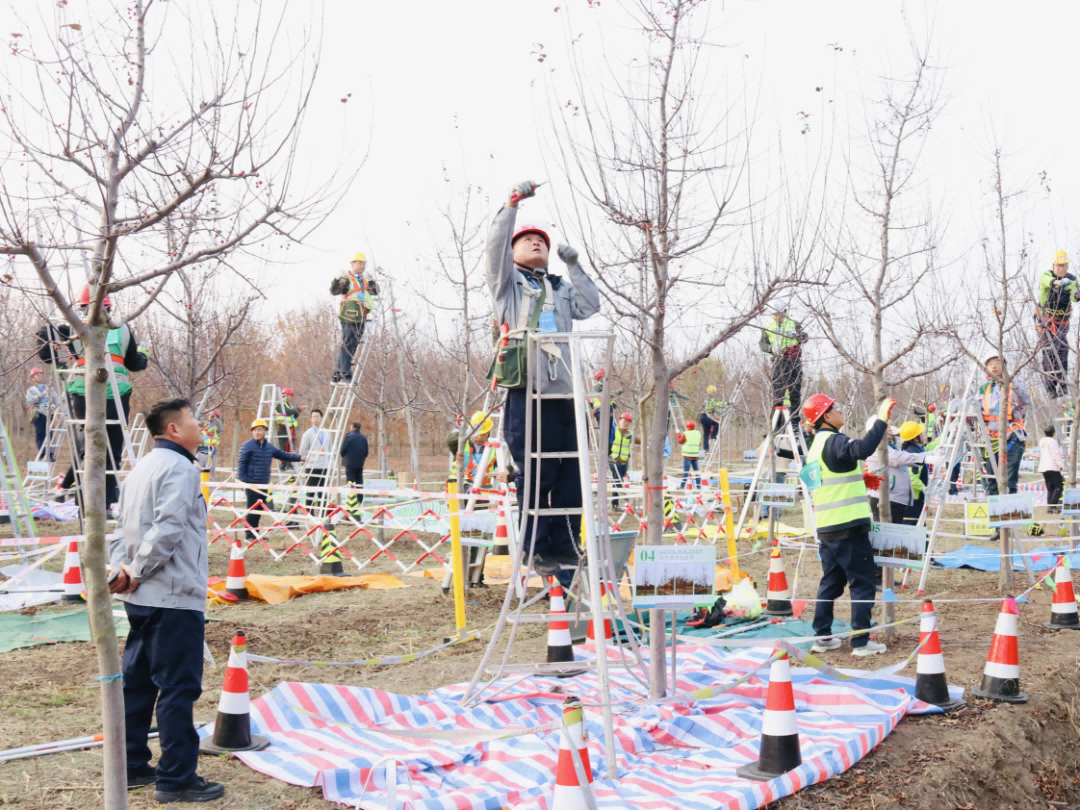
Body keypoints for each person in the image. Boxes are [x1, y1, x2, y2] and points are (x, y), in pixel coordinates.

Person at [107, 398, 223, 802]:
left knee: (138, 682)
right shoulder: (182, 468)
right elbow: (168, 528)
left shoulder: (140, 467)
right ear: (173, 429)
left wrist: (121, 571)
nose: (200, 424)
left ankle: (131, 764)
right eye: (193, 419)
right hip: (172, 595)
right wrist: (137, 569)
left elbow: (120, 528)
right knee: (178, 686)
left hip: (140, 596)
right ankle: (176, 778)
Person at [486, 180, 600, 585]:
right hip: (528, 393)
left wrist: (575, 267)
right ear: (513, 249)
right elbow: (494, 250)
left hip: (565, 392)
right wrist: (511, 206)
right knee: (538, 473)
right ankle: (537, 546)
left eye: (541, 241)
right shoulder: (508, 286)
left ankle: (567, 543)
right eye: (527, 240)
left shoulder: (559, 287)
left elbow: (591, 305)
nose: (536, 243)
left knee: (571, 474)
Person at [36, 286, 149, 513]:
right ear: (108, 307)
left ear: (82, 307)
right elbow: (134, 363)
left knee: (87, 451)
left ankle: (85, 505)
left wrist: (57, 363)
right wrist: (143, 355)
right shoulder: (123, 330)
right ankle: (103, 506)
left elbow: (43, 337)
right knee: (112, 451)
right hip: (116, 394)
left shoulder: (73, 329)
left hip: (83, 392)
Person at [802, 393, 894, 656]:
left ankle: (822, 637)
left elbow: (825, 478)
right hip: (849, 526)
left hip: (827, 527)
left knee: (830, 583)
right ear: (825, 416)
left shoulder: (817, 444)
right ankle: (861, 642)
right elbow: (862, 449)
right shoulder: (836, 440)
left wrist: (859, 478)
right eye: (836, 408)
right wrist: (881, 420)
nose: (840, 411)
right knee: (862, 582)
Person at [237, 419, 303, 542]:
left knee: (259, 509)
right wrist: (241, 480)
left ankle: (255, 534)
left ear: (265, 431)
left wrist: (299, 458)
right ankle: (249, 535)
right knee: (252, 509)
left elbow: (283, 454)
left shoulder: (269, 447)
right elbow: (241, 464)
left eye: (259, 430)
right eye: (255, 430)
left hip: (264, 483)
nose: (257, 433)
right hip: (251, 483)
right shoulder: (247, 445)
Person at [980, 353, 1030, 497]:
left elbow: (1024, 400)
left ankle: (1010, 506)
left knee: (1010, 480)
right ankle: (993, 506)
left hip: (1012, 435)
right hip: (992, 438)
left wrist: (1013, 384)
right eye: (990, 364)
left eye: (997, 363)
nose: (994, 367)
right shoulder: (984, 388)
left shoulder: (1014, 384)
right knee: (992, 480)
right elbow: (978, 409)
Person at [865, 417, 926, 525]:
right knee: (887, 533)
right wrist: (926, 458)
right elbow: (899, 458)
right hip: (885, 499)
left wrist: (897, 432)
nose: (889, 427)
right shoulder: (879, 448)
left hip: (894, 499)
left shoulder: (891, 447)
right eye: (885, 426)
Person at [760, 298, 808, 432]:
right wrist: (771, 349)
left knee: (795, 391)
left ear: (785, 312)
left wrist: (798, 335)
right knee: (778, 393)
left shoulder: (794, 324)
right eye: (776, 313)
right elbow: (762, 344)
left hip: (793, 360)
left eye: (781, 313)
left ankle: (795, 422)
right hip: (778, 361)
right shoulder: (768, 327)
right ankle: (778, 424)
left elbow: (805, 337)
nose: (778, 316)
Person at [330, 252, 379, 383]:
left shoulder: (365, 280)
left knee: (353, 344)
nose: (362, 266)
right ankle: (345, 373)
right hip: (348, 314)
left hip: (361, 315)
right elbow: (335, 291)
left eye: (363, 264)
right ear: (353, 264)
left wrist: (372, 282)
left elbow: (375, 292)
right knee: (347, 344)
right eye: (359, 263)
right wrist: (337, 280)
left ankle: (337, 373)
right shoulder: (347, 279)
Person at [1036, 250, 1078, 400]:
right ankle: (1050, 386)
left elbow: (1074, 294)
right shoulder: (1046, 276)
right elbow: (1047, 281)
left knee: (1062, 349)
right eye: (1059, 265)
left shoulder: (1072, 280)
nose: (1061, 268)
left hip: (1062, 322)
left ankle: (1062, 383)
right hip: (1045, 320)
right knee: (1049, 350)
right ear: (1054, 265)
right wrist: (1058, 282)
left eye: (1064, 265)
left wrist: (1077, 294)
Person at [299, 409, 332, 514]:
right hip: (312, 467)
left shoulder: (327, 433)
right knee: (311, 492)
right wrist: (307, 462)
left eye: (317, 416)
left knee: (323, 492)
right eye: (313, 417)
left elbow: (330, 449)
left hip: (324, 466)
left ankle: (322, 513)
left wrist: (331, 465)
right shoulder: (307, 434)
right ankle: (310, 513)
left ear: (321, 418)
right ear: (310, 419)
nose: (315, 419)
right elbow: (303, 450)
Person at [24, 367, 58, 460]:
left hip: (48, 412)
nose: (39, 377)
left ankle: (49, 453)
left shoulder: (48, 388)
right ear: (32, 378)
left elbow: (56, 398)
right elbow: (30, 401)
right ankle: (42, 453)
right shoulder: (31, 390)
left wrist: (56, 408)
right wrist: (39, 396)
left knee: (49, 433)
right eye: (37, 375)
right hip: (38, 413)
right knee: (40, 433)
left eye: (40, 375)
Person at [340, 420, 369, 517]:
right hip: (360, 463)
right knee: (359, 482)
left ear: (352, 427)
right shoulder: (363, 438)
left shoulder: (348, 437)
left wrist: (344, 456)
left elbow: (342, 450)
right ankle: (360, 501)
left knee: (350, 483)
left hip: (349, 463)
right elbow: (366, 452)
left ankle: (351, 503)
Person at [1039, 425, 1066, 513]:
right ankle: (1053, 505)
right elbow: (1056, 455)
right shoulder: (1053, 442)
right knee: (1058, 486)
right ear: (1054, 433)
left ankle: (1050, 507)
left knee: (1050, 487)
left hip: (1044, 467)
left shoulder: (1042, 441)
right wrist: (1062, 465)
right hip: (1053, 467)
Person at [273, 387, 301, 470]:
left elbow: (293, 416)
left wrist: (298, 411)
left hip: (291, 428)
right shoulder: (280, 404)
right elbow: (287, 412)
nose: (291, 398)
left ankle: (289, 463)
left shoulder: (290, 406)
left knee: (291, 447)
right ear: (286, 395)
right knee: (283, 447)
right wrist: (297, 409)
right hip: (283, 428)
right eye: (290, 395)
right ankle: (283, 465)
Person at [609, 413, 633, 508]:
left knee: (619, 480)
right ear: (619, 422)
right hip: (613, 459)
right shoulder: (614, 431)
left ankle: (615, 503)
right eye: (624, 421)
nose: (626, 424)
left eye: (628, 422)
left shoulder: (630, 434)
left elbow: (639, 441)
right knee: (618, 480)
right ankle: (619, 500)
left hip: (624, 461)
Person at [196, 409, 223, 480]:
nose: (209, 416)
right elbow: (196, 419)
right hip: (200, 452)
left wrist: (215, 418)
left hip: (211, 454)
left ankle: (210, 488)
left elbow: (220, 427)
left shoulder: (217, 428)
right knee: (196, 475)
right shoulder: (205, 424)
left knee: (210, 477)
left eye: (212, 415)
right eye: (209, 415)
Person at [679, 420, 702, 489]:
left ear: (687, 426)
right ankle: (699, 486)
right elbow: (700, 443)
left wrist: (678, 434)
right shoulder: (698, 433)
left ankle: (682, 486)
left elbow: (680, 441)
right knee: (696, 472)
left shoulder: (685, 433)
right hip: (695, 456)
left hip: (687, 456)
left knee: (686, 472)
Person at [699, 385, 722, 453]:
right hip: (706, 416)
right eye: (715, 391)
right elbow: (715, 406)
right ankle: (713, 436)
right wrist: (725, 406)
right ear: (713, 392)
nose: (716, 393)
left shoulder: (706, 399)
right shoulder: (711, 399)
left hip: (702, 417)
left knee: (706, 433)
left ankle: (706, 449)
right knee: (716, 423)